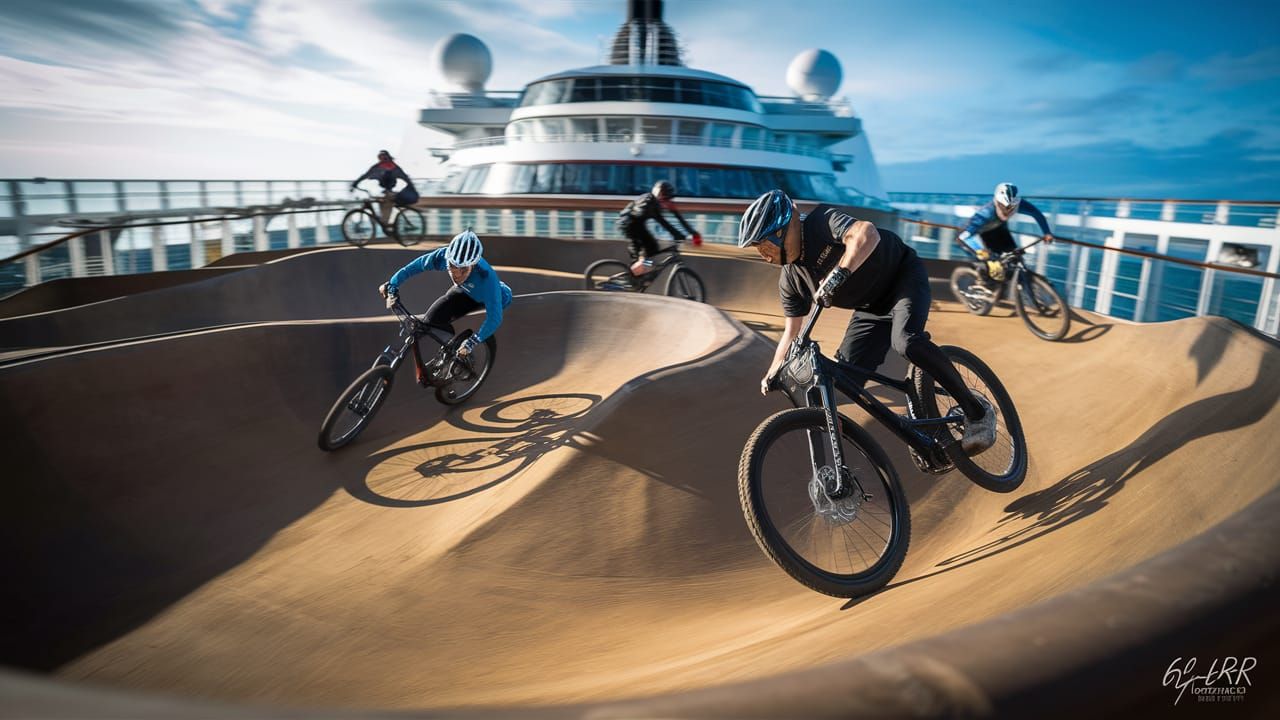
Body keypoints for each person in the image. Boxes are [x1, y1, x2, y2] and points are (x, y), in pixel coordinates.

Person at [738, 189, 996, 454]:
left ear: (786, 229)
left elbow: (866, 233)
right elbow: (792, 331)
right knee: (845, 381)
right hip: (870, 309)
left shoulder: (820, 223)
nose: (764, 255)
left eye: (766, 245)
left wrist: (839, 273)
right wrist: (774, 370)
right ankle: (925, 438)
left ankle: (978, 413)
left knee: (907, 343)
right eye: (758, 249)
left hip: (902, 278)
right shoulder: (790, 280)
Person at [378, 229, 512, 362]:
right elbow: (414, 267)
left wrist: (472, 342)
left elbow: (495, 318)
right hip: (464, 291)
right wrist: (392, 283)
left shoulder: (487, 279)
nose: (457, 274)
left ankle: (458, 356)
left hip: (495, 297)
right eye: (453, 267)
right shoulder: (443, 256)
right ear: (448, 260)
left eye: (463, 270)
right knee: (427, 322)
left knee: (497, 299)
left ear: (473, 265)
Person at [957, 182, 1054, 282]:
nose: (1007, 211)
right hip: (972, 236)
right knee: (991, 264)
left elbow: (1037, 214)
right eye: (1004, 207)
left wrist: (1047, 232)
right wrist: (983, 253)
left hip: (997, 229)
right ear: (997, 203)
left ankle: (1022, 285)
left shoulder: (1019, 204)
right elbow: (963, 237)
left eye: (1010, 208)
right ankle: (984, 281)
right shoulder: (986, 213)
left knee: (1015, 258)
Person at [616, 180, 702, 281]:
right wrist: (680, 236)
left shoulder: (660, 204)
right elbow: (662, 222)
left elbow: (678, 218)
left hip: (639, 225)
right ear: (659, 194)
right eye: (665, 198)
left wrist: (693, 234)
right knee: (645, 250)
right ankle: (631, 278)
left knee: (653, 249)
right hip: (629, 225)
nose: (667, 202)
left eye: (668, 199)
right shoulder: (648, 201)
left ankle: (640, 273)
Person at [352, 150, 421, 226]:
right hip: (384, 190)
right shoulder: (377, 167)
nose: (383, 160)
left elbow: (406, 178)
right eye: (381, 158)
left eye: (384, 158)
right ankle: (382, 223)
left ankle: (386, 223)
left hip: (391, 190)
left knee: (387, 203)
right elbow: (365, 175)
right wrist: (355, 183)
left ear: (388, 157)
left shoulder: (394, 168)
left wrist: (413, 189)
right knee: (377, 202)